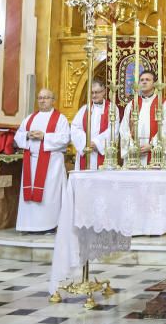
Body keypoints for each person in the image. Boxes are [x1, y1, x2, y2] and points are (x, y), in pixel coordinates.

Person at [14, 88, 70, 233]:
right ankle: (29, 225)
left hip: (51, 164)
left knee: (49, 194)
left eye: (46, 98)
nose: (42, 100)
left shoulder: (60, 119)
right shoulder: (30, 118)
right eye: (40, 98)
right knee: (30, 193)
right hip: (31, 162)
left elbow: (65, 139)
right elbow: (17, 136)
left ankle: (49, 225)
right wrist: (27, 134)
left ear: (53, 100)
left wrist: (45, 136)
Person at [119, 70, 166, 164]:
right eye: (142, 80)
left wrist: (153, 145)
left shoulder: (163, 104)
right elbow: (124, 128)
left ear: (154, 83)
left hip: (155, 153)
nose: (144, 82)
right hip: (134, 153)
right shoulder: (131, 105)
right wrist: (133, 146)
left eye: (148, 80)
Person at [69, 79, 119, 171]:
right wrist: (86, 142)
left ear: (104, 92)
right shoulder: (85, 109)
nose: (94, 95)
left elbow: (113, 129)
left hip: (102, 152)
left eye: (97, 92)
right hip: (85, 152)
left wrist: (96, 142)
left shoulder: (112, 108)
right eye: (92, 93)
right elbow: (75, 127)